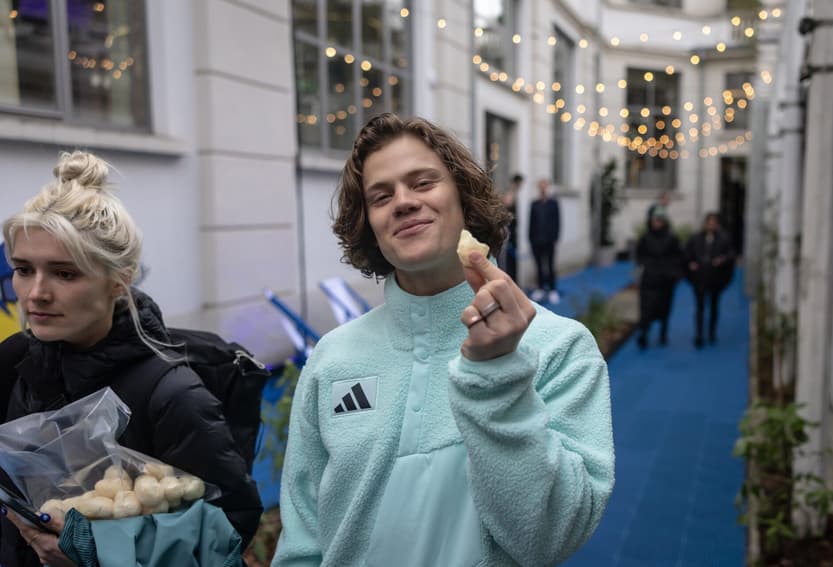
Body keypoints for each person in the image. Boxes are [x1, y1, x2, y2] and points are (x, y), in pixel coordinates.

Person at [270, 114, 614, 567]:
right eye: (381, 195)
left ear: (463, 199)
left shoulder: (559, 347)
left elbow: (549, 536)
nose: (403, 202)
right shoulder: (332, 358)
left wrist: (498, 375)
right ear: (368, 223)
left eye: (423, 182)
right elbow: (302, 536)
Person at [0, 151, 262, 567]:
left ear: (119, 281)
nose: (35, 293)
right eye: (23, 269)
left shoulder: (173, 394)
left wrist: (97, 552)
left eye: (65, 273)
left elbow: (225, 534)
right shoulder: (14, 363)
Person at [684, 212, 735, 347]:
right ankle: (699, 334)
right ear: (705, 224)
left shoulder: (724, 239)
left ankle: (712, 332)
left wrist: (722, 259)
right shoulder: (695, 238)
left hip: (715, 278)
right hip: (700, 278)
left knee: (714, 306)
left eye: (714, 223)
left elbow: (730, 254)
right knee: (699, 307)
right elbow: (687, 253)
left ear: (717, 224)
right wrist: (691, 263)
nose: (711, 225)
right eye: (709, 223)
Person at [635, 208, 682, 348]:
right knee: (646, 308)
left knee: (665, 307)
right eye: (655, 220)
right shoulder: (645, 238)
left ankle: (663, 333)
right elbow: (639, 256)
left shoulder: (672, 238)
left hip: (666, 280)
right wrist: (648, 265)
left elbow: (678, 256)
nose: (657, 223)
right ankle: (644, 334)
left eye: (660, 220)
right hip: (649, 279)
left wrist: (672, 272)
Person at [528, 177, 561, 304]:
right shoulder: (534, 204)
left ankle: (553, 289)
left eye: (545, 186)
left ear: (548, 187)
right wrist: (530, 238)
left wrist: (555, 237)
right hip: (536, 240)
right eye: (540, 186)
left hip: (549, 240)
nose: (543, 188)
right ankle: (541, 288)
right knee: (539, 266)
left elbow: (557, 221)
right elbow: (531, 222)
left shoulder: (553, 203)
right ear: (538, 188)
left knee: (550, 265)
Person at [499, 173, 523, 282]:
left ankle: (514, 282)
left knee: (513, 263)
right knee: (506, 263)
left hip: (513, 236)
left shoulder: (515, 195)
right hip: (507, 238)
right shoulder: (510, 193)